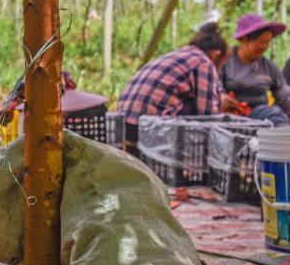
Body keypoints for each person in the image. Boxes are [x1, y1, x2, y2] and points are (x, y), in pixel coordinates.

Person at [117, 22, 229, 157]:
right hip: (150, 129)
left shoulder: (179, 54)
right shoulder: (203, 62)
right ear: (216, 55)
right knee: (196, 109)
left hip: (124, 125)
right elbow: (208, 115)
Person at [220, 13, 290, 125]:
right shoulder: (226, 61)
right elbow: (213, 85)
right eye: (261, 42)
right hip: (230, 116)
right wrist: (221, 96)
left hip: (261, 114)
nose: (265, 46)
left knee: (277, 116)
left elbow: (284, 94)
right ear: (244, 39)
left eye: (268, 42)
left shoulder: (268, 66)